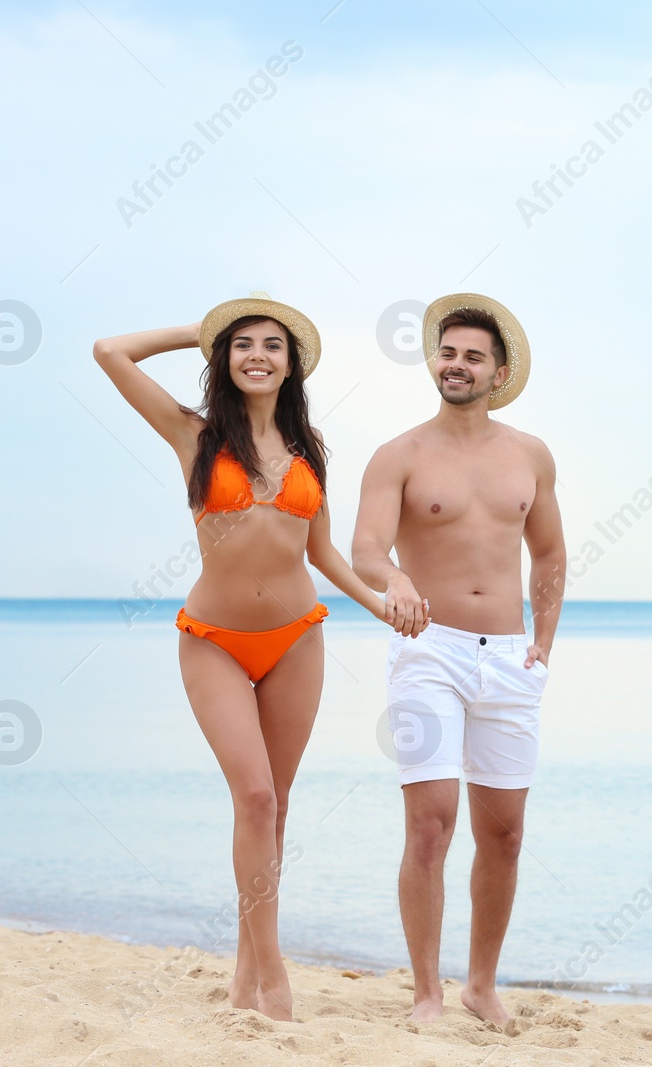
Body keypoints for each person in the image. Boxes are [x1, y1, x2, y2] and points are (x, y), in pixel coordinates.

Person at [93, 292, 421, 1021]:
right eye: (241, 344)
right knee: (256, 797)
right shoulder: (194, 435)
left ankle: (246, 974)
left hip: (299, 637)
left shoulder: (310, 451)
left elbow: (327, 554)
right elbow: (109, 351)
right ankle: (273, 972)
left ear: (290, 364)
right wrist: (197, 330)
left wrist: (383, 604)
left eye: (272, 344)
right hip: (213, 639)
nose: (257, 355)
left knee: (276, 811)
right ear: (225, 359)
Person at [352, 293, 566, 1024]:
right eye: (448, 353)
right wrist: (397, 579)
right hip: (429, 651)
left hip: (511, 658)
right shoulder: (400, 455)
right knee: (431, 824)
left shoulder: (530, 454)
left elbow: (550, 550)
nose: (457, 365)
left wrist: (546, 636)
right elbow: (364, 550)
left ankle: (480, 985)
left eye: (473, 356)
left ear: (498, 372)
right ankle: (426, 992)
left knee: (504, 832)